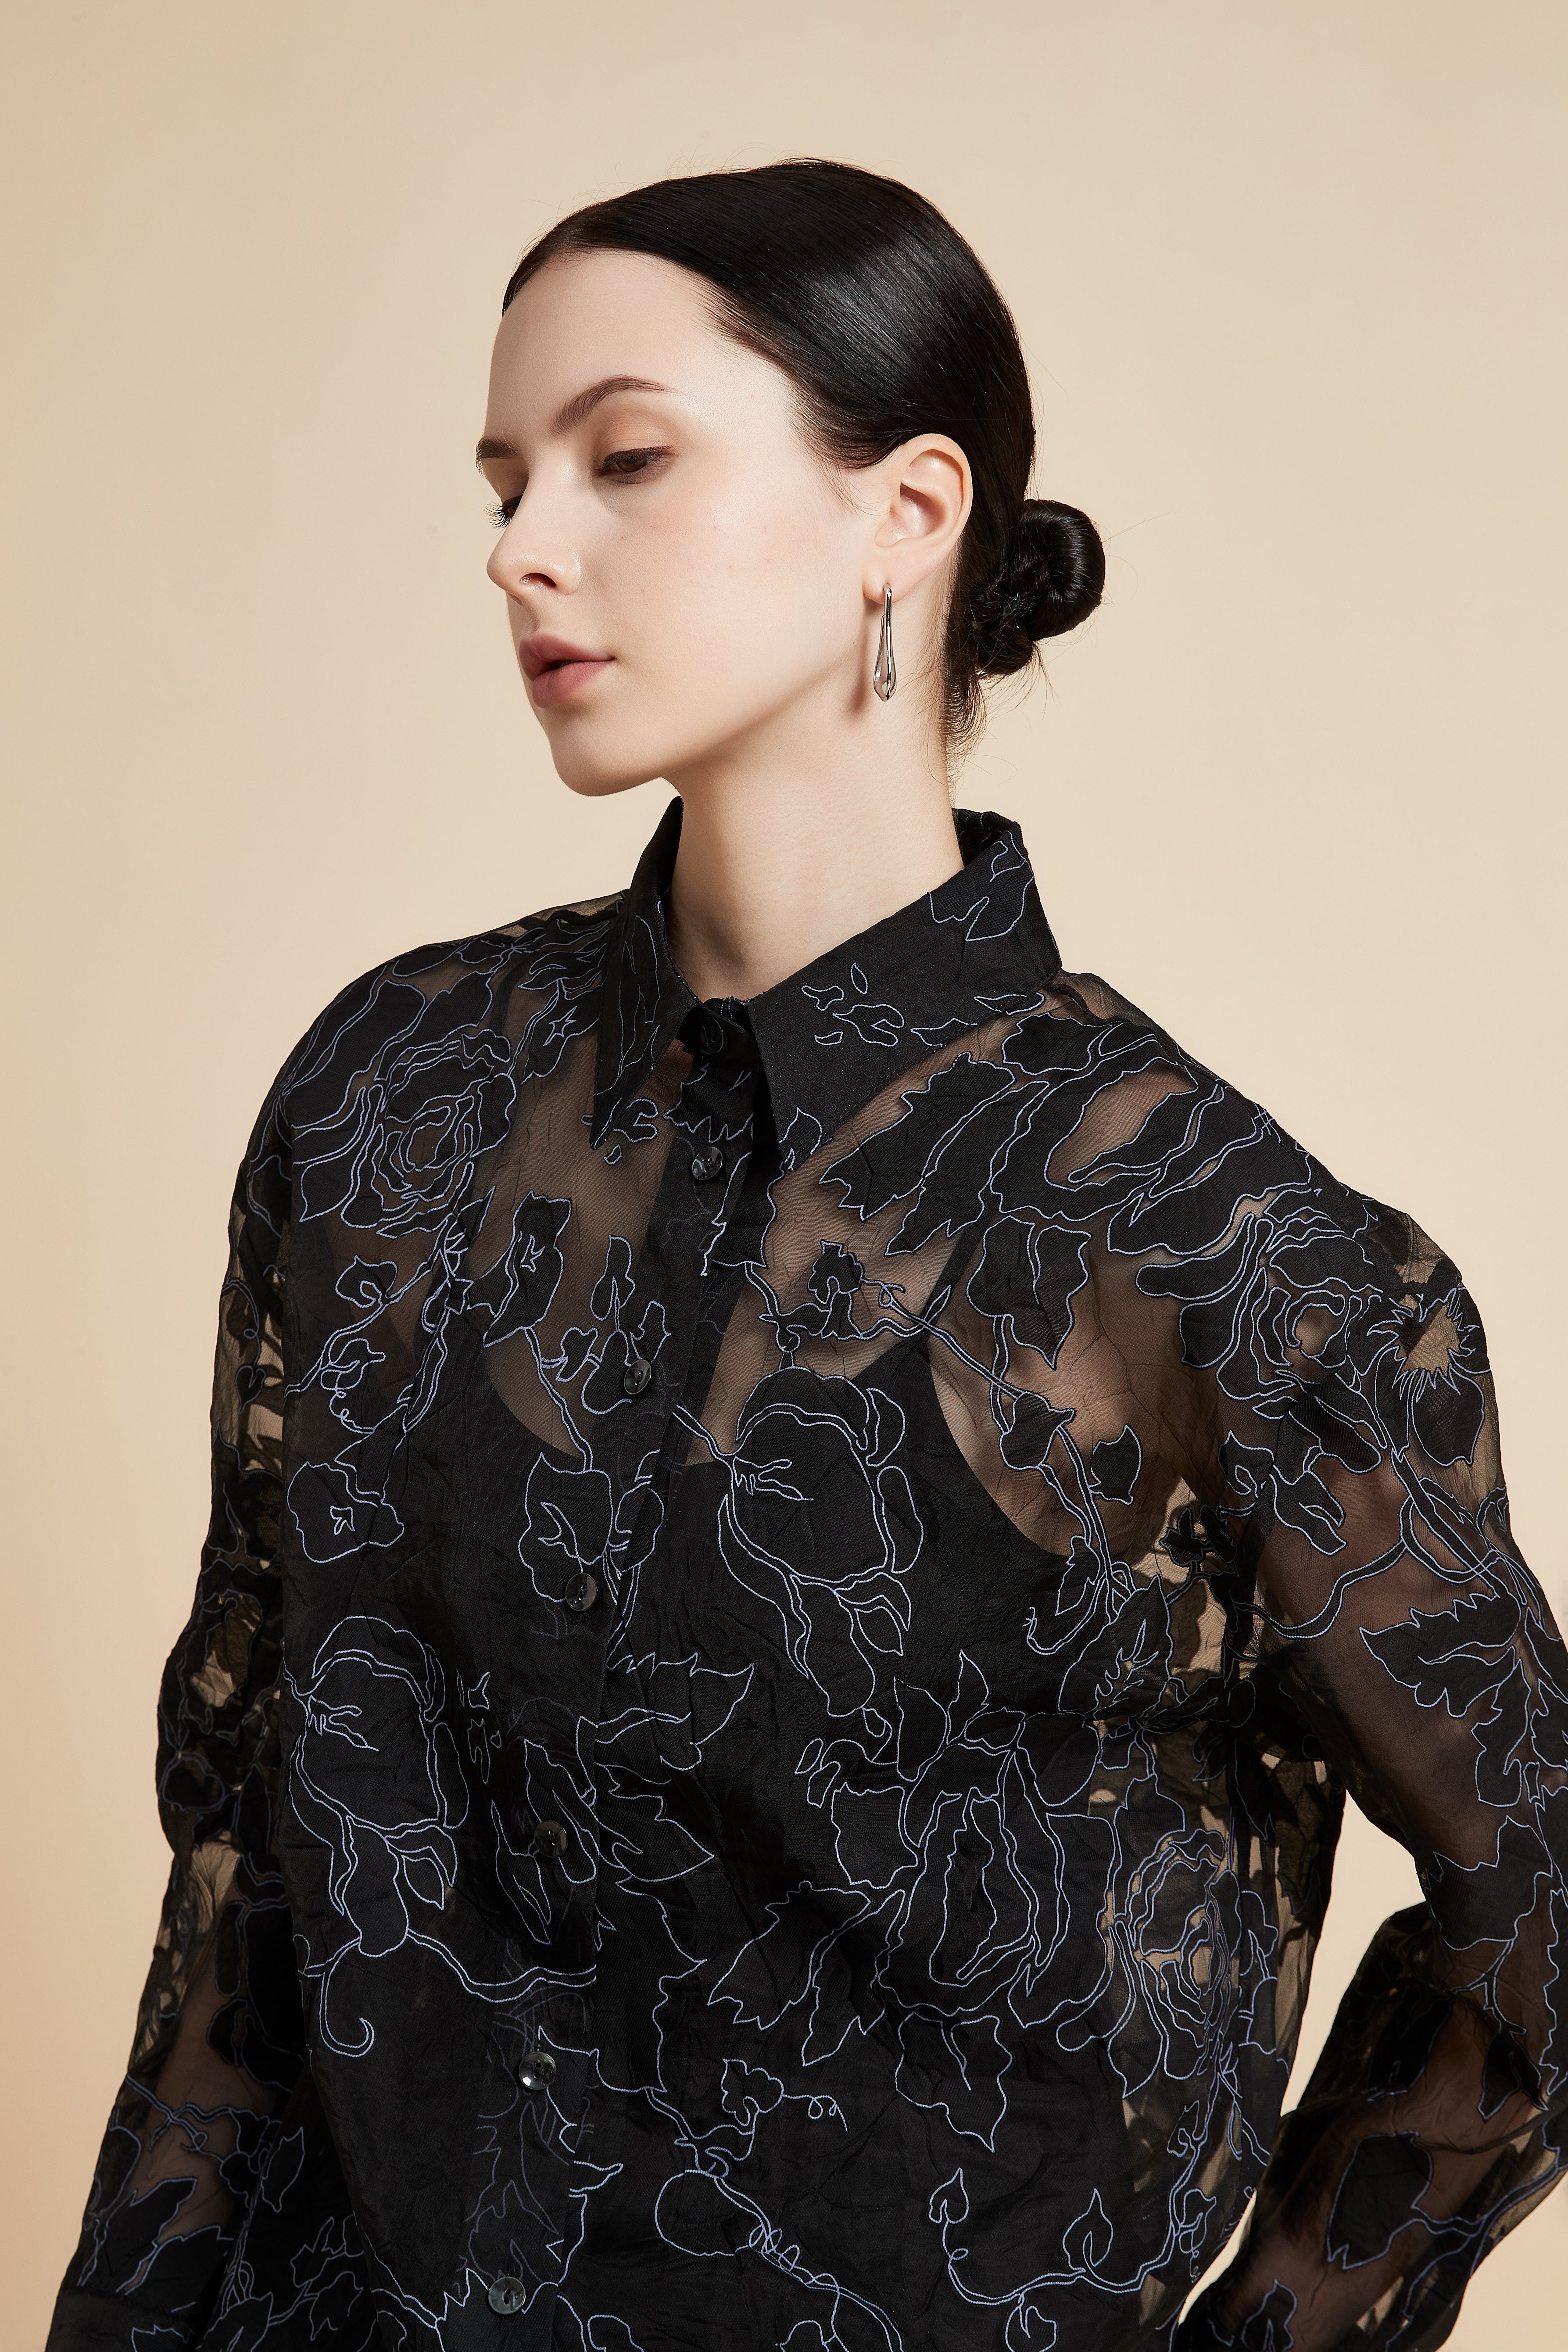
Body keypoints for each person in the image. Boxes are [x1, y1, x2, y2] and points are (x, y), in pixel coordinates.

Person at [50, 160, 1566, 2352]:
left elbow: (1538, 1915)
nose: (521, 546)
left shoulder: (1208, 1245)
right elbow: (255, 1866)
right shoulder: (392, 1094)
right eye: (503, 479)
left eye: (625, 459)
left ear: (906, 515)